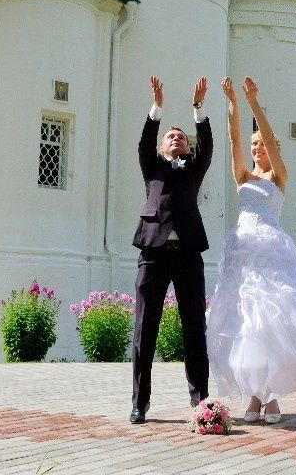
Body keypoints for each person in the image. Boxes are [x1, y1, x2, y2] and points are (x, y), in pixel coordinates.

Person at [206, 77, 296, 425]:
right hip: (242, 254)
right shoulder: (242, 177)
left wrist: (254, 102)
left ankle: (270, 398)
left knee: (271, 324)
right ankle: (255, 395)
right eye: (254, 144)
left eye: (263, 144)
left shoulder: (278, 177)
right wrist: (232, 104)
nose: (258, 148)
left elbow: (268, 137)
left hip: (270, 255)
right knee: (245, 323)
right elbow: (233, 138)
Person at [130, 75, 212, 424]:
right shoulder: (154, 167)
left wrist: (198, 109)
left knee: (194, 328)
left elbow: (206, 147)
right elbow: (145, 142)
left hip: (188, 254)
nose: (175, 138)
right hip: (153, 253)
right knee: (144, 330)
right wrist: (157, 106)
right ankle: (139, 403)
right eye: (170, 136)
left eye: (181, 136)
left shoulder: (193, 167)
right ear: (163, 146)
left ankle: (201, 403)